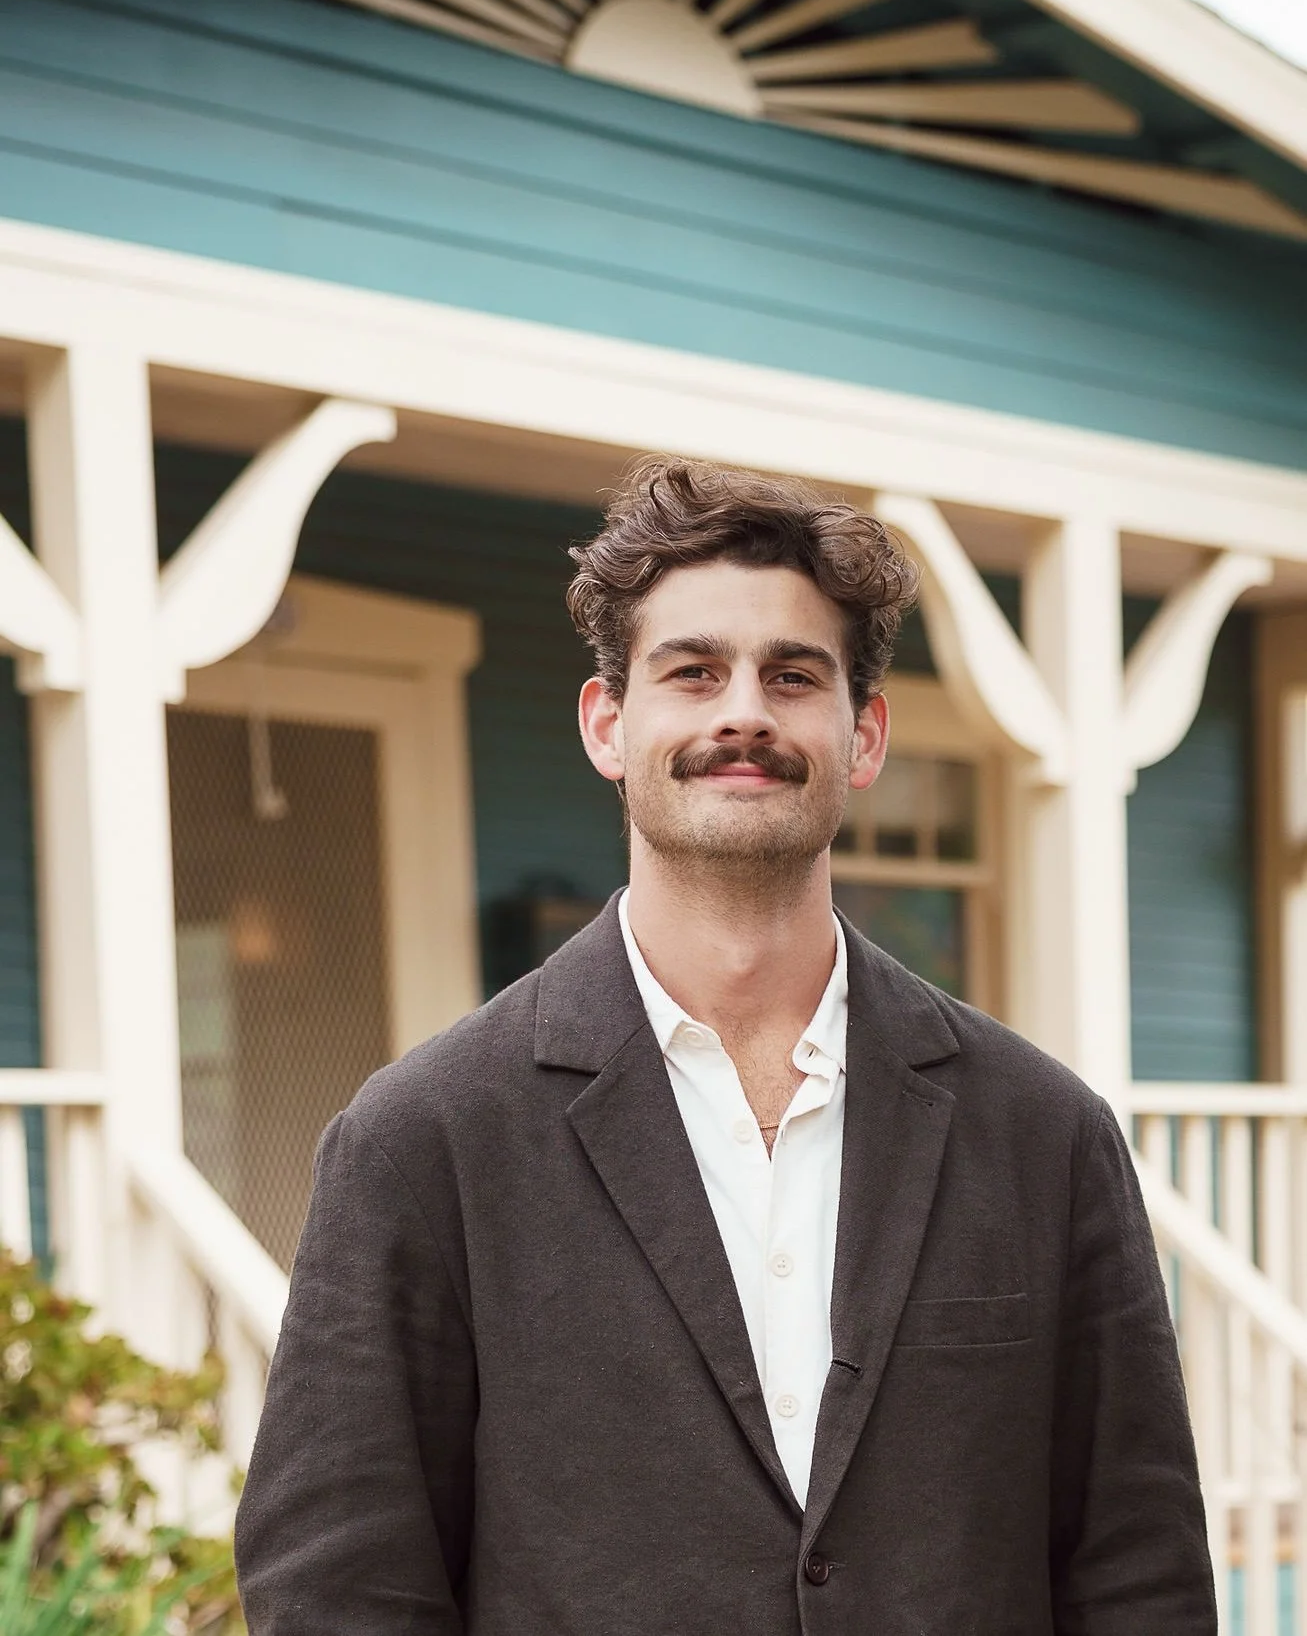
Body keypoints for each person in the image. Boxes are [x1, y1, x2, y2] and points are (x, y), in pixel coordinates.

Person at [235, 458, 1216, 1634]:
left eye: (790, 674)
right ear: (608, 724)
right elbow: (338, 1589)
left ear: (862, 734)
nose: (741, 711)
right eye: (691, 671)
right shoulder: (421, 1140)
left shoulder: (1043, 1134)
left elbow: (1136, 1570)